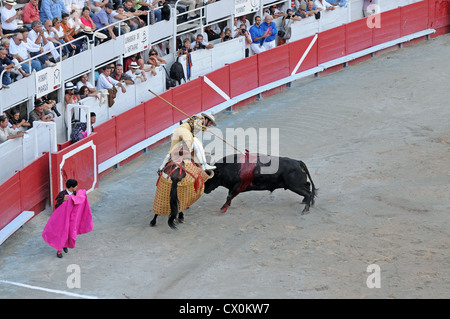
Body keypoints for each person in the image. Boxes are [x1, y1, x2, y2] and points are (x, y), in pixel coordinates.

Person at [43, 178, 93, 259]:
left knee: (70, 232)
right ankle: (59, 250)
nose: (76, 187)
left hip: (71, 217)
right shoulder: (62, 194)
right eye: (75, 186)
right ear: (71, 187)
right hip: (63, 218)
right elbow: (57, 207)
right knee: (62, 232)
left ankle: (65, 245)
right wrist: (63, 200)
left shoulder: (74, 193)